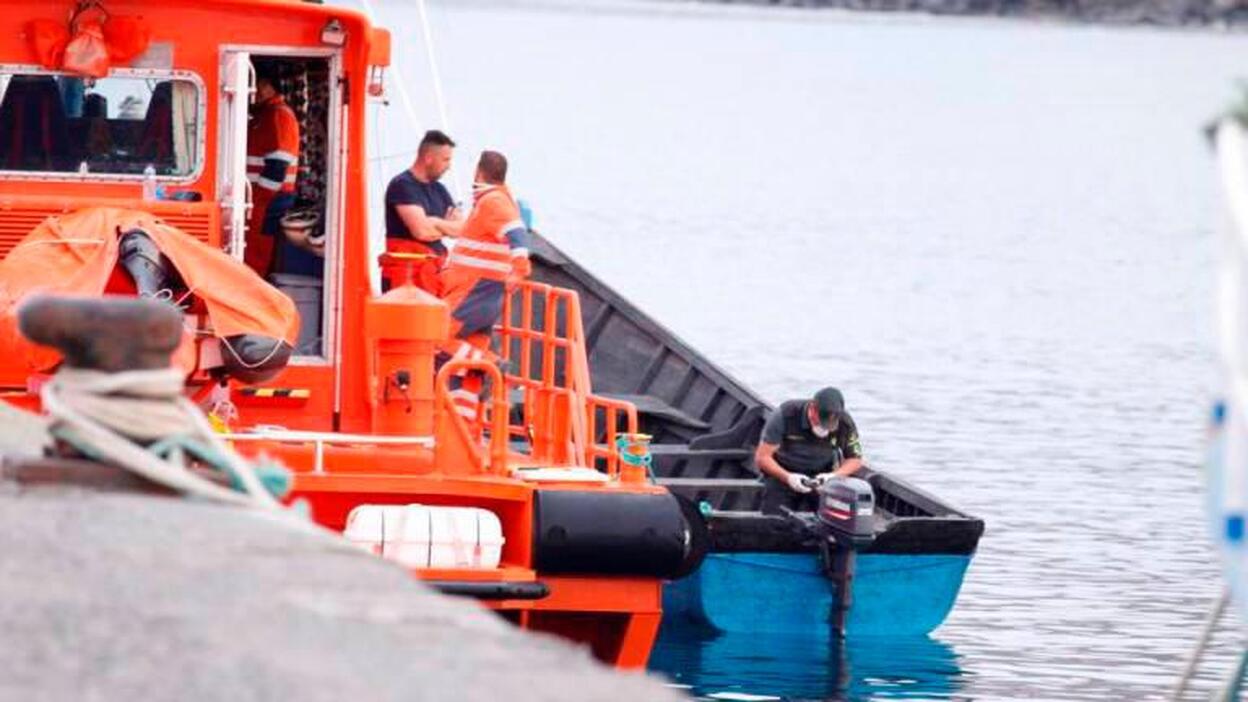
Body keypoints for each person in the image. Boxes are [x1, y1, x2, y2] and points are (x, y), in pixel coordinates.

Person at [438, 150, 530, 425]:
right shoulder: (490, 202)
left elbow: (517, 233)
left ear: (479, 172)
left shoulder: (493, 201)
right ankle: (463, 425)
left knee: (435, 336)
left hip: (475, 290)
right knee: (467, 363)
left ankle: (492, 364)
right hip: (483, 293)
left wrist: (520, 268)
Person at [754, 387, 865, 514]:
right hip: (783, 472)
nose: (823, 428)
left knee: (828, 517)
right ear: (812, 408)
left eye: (828, 425)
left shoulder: (845, 422)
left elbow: (855, 459)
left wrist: (833, 476)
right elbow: (762, 457)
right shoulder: (786, 414)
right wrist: (788, 478)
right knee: (774, 517)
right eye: (820, 422)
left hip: (821, 476)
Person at [383, 129, 462, 294]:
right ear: (428, 158)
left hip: (434, 275)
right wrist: (445, 227)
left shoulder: (440, 190)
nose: (449, 166)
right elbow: (421, 231)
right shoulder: (402, 185)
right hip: (407, 280)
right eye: (445, 160)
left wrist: (435, 222)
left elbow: (461, 229)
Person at [244, 69, 300, 276]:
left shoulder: (279, 115)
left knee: (258, 250)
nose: (256, 91)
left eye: (260, 85)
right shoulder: (264, 115)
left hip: (270, 198)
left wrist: (259, 198)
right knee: (254, 247)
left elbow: (278, 165)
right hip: (263, 196)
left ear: (271, 87)